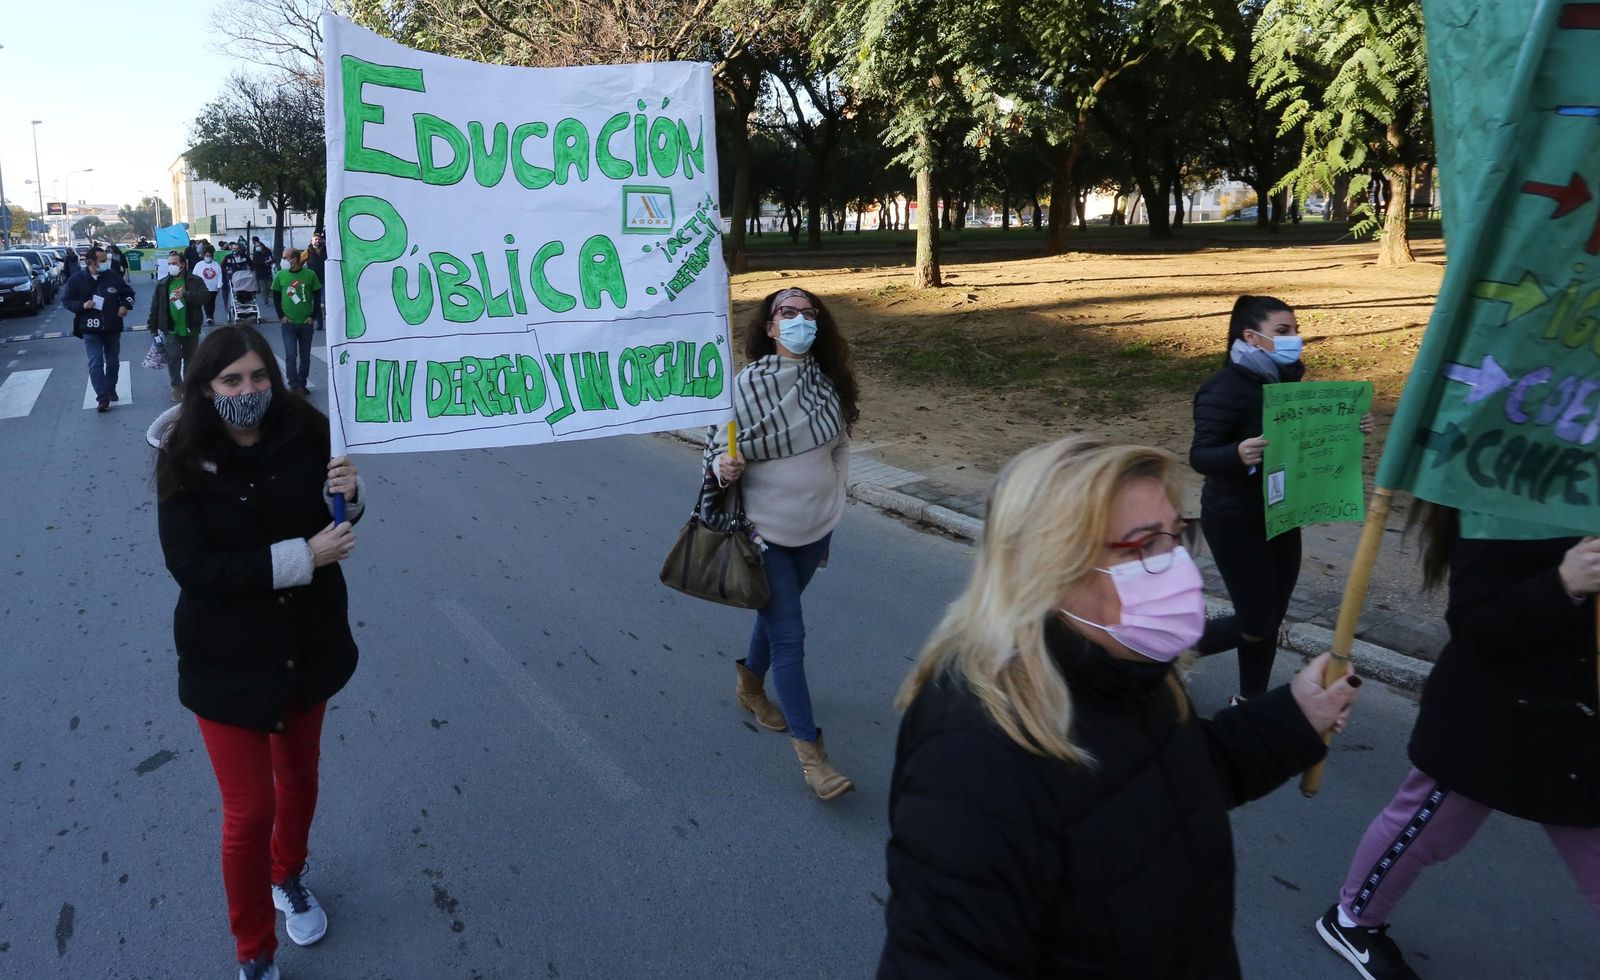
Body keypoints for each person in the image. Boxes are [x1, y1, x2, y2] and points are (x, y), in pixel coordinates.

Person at [878, 436, 1363, 977]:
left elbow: (1169, 781)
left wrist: (1293, 716)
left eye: (1177, 536)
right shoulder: (973, 758)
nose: (1178, 564)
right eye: (1145, 545)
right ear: (1052, 568)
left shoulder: (1126, 672)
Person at [150, 325, 365, 980]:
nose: (249, 391)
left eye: (258, 376)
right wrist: (304, 557)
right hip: (228, 661)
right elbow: (195, 568)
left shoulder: (308, 429)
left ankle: (288, 876)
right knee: (250, 811)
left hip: (306, 644)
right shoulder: (181, 457)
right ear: (205, 388)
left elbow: (341, 520)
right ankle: (254, 951)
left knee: (299, 779)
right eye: (232, 380)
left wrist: (350, 499)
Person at [1315, 505, 1600, 979]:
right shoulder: (1498, 499)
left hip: (1576, 721)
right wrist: (1564, 582)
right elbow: (1475, 624)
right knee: (1424, 828)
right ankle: (1351, 920)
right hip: (1489, 722)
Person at [707, 286, 859, 800]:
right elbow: (715, 453)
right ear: (770, 327)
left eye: (808, 314)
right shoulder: (744, 386)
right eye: (787, 313)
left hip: (816, 532)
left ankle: (750, 686)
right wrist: (722, 466)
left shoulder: (827, 384)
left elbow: (839, 448)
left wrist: (834, 502)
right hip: (763, 536)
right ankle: (813, 758)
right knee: (790, 638)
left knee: (776, 618)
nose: (799, 321)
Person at [1189, 295, 1373, 702]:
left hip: (1281, 516)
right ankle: (1160, 657)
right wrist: (1236, 454)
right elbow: (1200, 455)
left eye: (1295, 330)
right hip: (1234, 519)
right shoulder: (1223, 388)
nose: (1296, 339)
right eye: (1283, 331)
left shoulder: (1286, 385)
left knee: (1270, 618)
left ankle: (1249, 701)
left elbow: (1307, 442)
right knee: (1254, 620)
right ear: (1251, 337)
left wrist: (1350, 423)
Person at [62, 245, 136, 412]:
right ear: (91, 262)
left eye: (106, 260)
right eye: (102, 261)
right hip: (90, 330)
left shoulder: (113, 276)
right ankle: (102, 398)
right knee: (95, 363)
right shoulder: (76, 280)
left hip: (112, 328)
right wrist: (82, 305)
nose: (105, 263)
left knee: (112, 363)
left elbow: (129, 294)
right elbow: (66, 301)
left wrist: (125, 306)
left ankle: (111, 388)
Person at [149, 251, 208, 401]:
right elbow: (155, 306)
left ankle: (188, 387)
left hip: (191, 327)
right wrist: (153, 328)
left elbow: (205, 298)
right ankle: (176, 386)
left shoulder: (195, 281)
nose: (171, 266)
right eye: (169, 264)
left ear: (183, 264)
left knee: (190, 358)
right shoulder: (163, 284)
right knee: (174, 356)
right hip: (170, 328)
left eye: (174, 263)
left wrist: (186, 295)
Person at [271, 247, 322, 394]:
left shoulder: (310, 275)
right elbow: (275, 296)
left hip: (305, 324)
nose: (284, 260)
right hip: (289, 324)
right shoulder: (280, 276)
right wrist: (281, 316)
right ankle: (293, 383)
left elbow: (317, 296)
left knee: (305, 356)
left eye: (286, 258)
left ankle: (302, 382)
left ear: (295, 259)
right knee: (291, 354)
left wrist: (313, 316)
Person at [223, 242, 253, 320]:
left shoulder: (244, 257)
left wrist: (250, 270)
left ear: (239, 249)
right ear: (231, 249)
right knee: (236, 292)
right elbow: (222, 267)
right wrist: (227, 271)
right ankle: (239, 308)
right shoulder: (228, 258)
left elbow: (252, 265)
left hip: (245, 280)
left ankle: (248, 306)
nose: (235, 250)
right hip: (233, 280)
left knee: (248, 291)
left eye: (236, 249)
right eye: (233, 249)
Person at [194, 246, 224, 325]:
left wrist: (219, 283)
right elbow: (194, 275)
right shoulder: (199, 265)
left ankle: (211, 316)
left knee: (212, 302)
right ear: (204, 256)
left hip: (213, 287)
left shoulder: (216, 264)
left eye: (210, 256)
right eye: (207, 256)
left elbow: (219, 274)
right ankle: (208, 317)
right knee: (206, 302)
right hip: (203, 287)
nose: (208, 257)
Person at [305, 231, 327, 331]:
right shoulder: (307, 252)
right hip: (313, 281)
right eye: (315, 239)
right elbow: (299, 262)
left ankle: (329, 320)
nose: (317, 241)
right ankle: (319, 323)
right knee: (316, 302)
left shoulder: (326, 250)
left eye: (319, 239)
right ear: (311, 241)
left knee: (328, 301)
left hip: (325, 279)